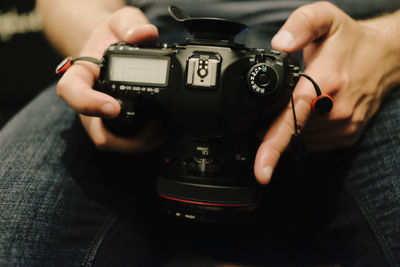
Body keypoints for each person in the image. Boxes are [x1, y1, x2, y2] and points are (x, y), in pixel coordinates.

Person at [0, 0, 399, 266]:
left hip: (349, 55)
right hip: (153, 43)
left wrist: (385, 46)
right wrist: (102, 48)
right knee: (13, 228)